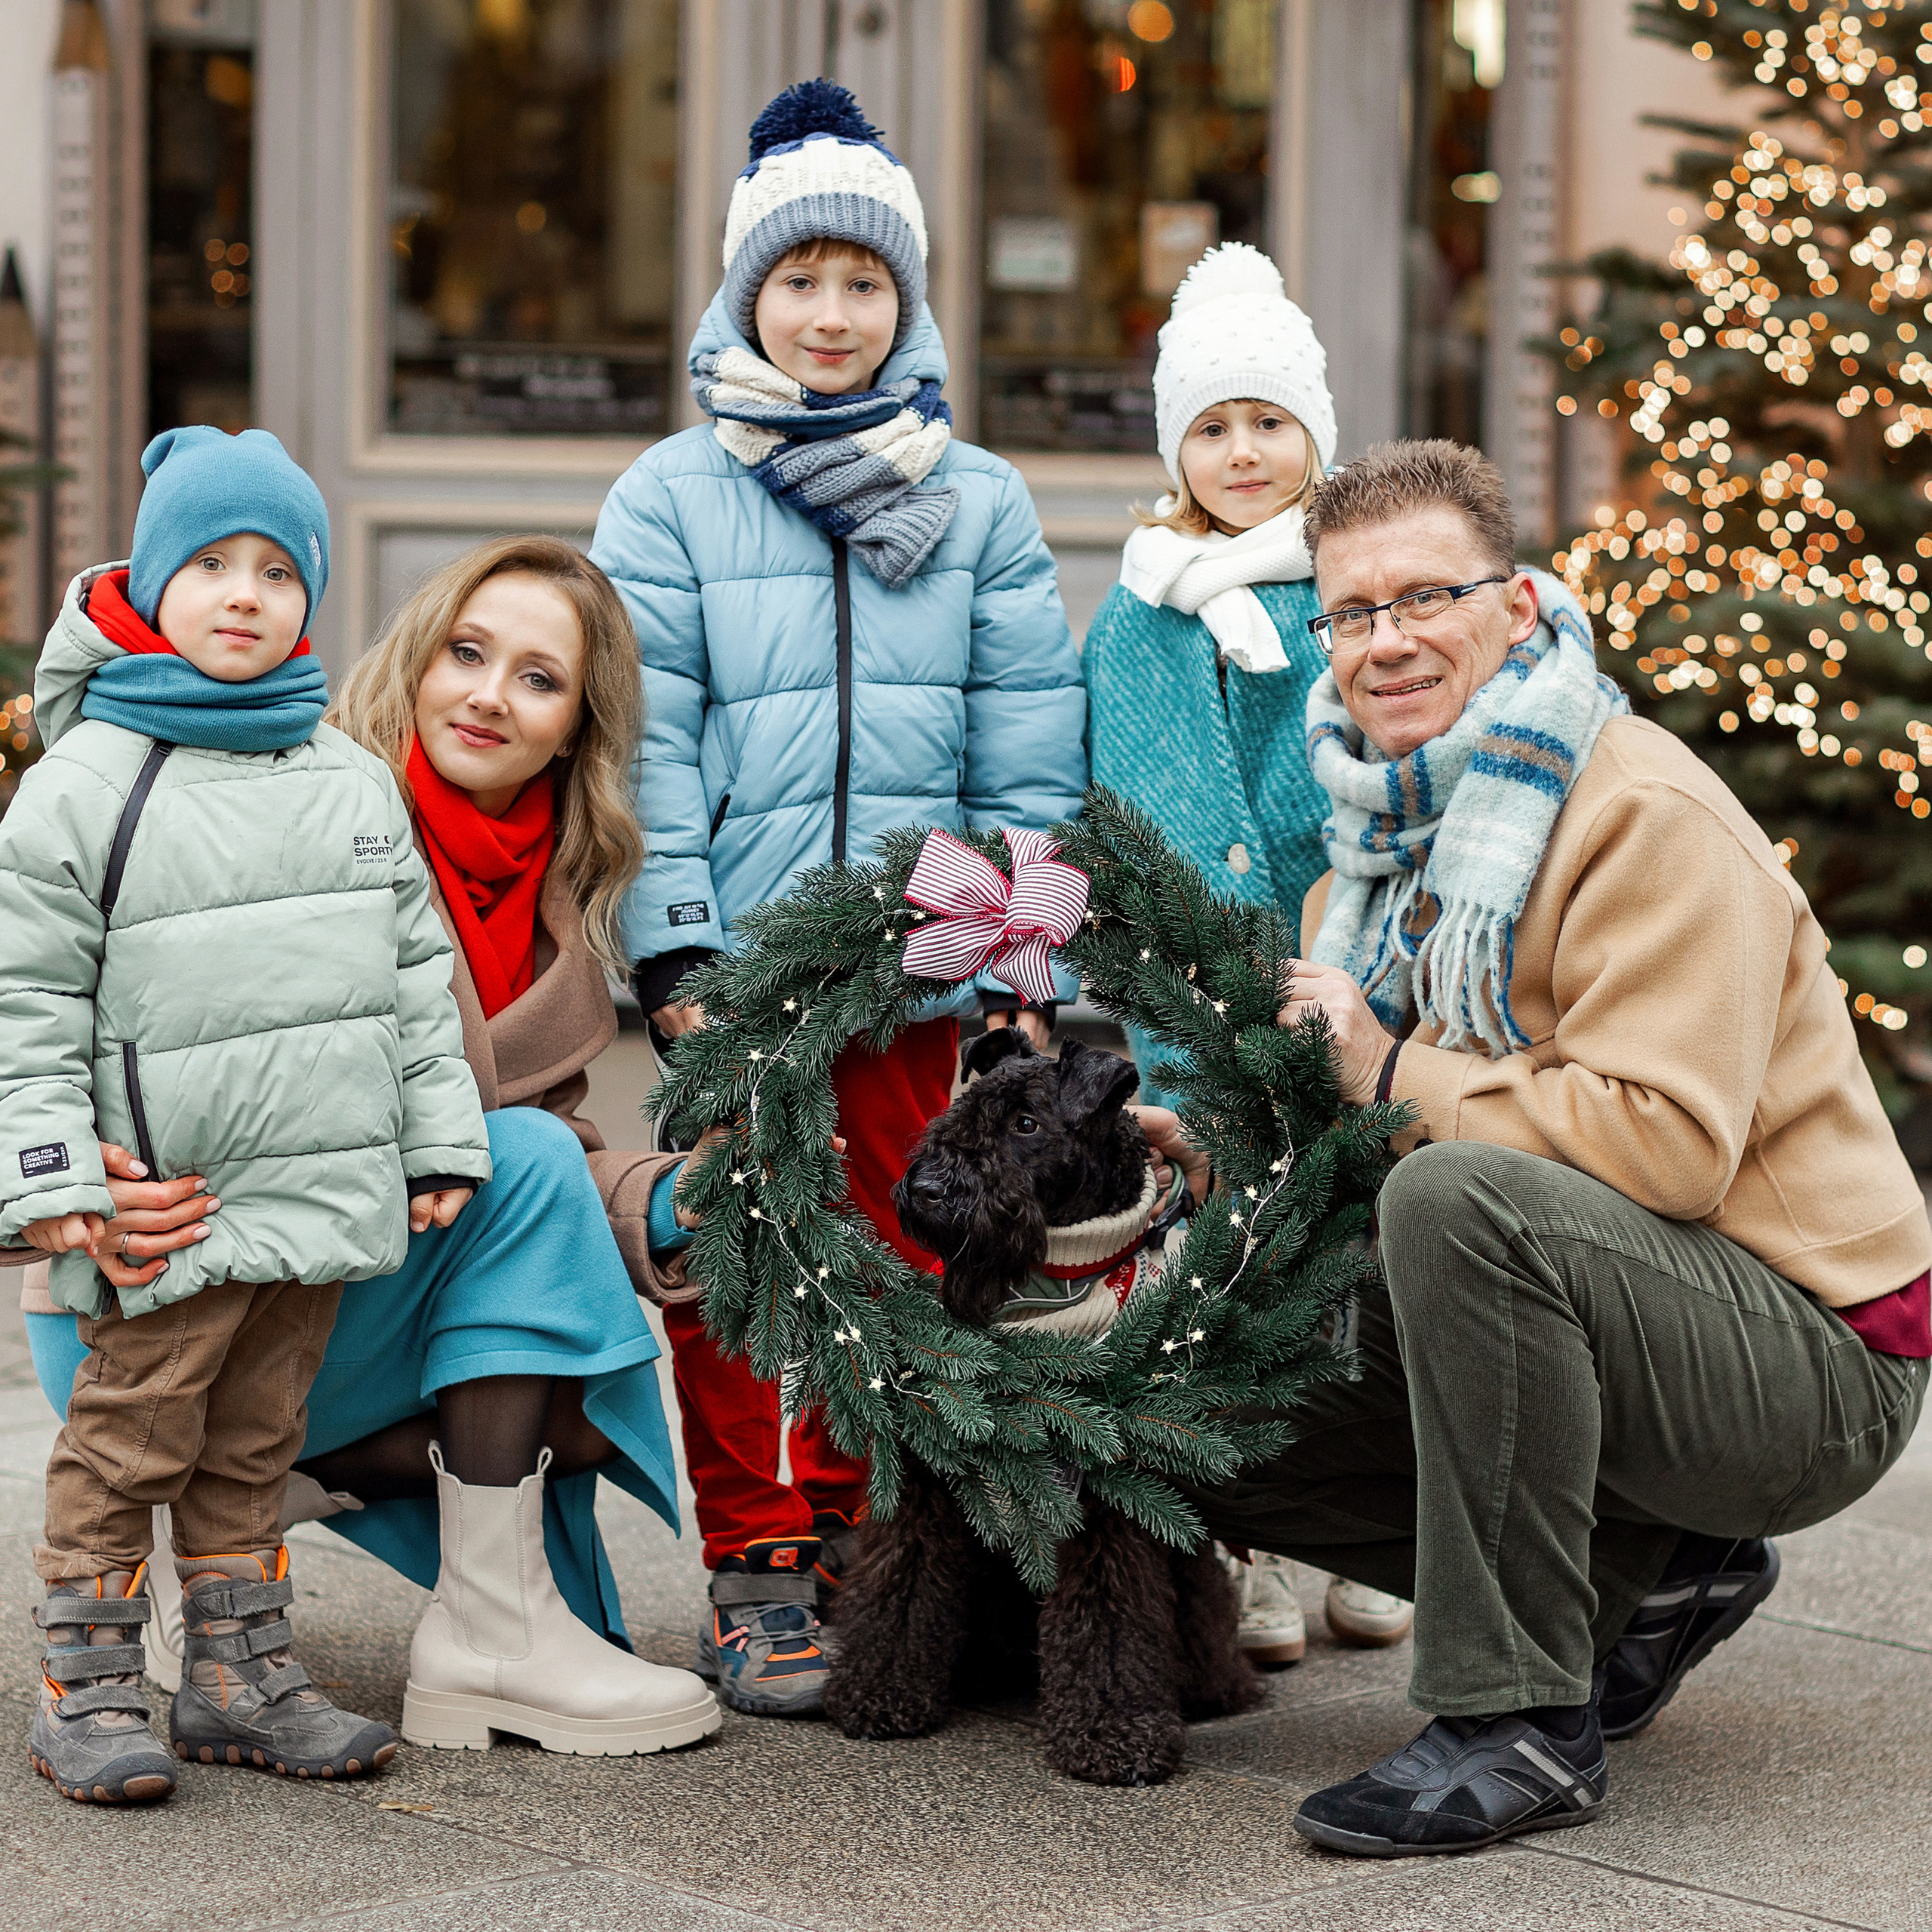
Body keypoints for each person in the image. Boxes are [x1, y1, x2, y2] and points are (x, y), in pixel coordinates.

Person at [1183, 438, 1929, 1856]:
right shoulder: (1379, 844)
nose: (1385, 642)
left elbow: (1663, 1154)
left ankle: (1517, 1719)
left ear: (1518, 607)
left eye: (1426, 598)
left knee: (1464, 1198)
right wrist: (1218, 1147)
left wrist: (1383, 1067)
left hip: (1819, 1354)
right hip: (1626, 1306)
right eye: (1350, 613)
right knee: (1206, 1416)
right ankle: (1654, 1572)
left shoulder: (1638, 811)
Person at [23, 536, 724, 1761]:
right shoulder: (278, 788)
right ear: (414, 657)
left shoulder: (557, 901)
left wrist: (672, 1203)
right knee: (550, 1325)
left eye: (538, 677)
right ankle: (458, 1625)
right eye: (466, 651)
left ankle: (328, 1581)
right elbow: (83, 1009)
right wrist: (68, 1180)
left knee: (599, 1396)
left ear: (576, 727)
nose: (488, 694)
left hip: (343, 1264)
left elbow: (525, 1161)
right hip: (167, 1264)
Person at [589, 79, 1087, 1718]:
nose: (827, 312)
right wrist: (674, 942)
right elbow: (643, 742)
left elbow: (1024, 750)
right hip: (739, 965)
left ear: (907, 301)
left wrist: (1020, 938)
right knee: (742, 1256)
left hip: (929, 963)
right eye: (795, 280)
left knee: (908, 1243)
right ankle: (756, 1559)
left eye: (861, 282)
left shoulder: (977, 499)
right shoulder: (670, 495)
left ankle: (886, 1546)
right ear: (746, 294)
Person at [0, 427, 492, 1804]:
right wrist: (51, 1173)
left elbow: (413, 975)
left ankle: (237, 1670)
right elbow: (27, 998)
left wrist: (439, 1134)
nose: (244, 593)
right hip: (174, 1197)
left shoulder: (344, 776)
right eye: (210, 563)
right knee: (132, 1431)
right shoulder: (88, 781)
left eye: (278, 571)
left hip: (316, 1188)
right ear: (152, 581)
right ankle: (86, 1675)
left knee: (257, 1438)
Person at [1081, 241, 1412, 1669]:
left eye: (1268, 422)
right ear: (1177, 447)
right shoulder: (1138, 609)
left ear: (1315, 438)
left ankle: (1381, 1530)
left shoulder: (1349, 595)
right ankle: (1249, 1544)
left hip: (1335, 965)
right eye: (1211, 426)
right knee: (1216, 1256)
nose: (1241, 451)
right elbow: (1107, 788)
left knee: (1353, 1251)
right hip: (1189, 988)